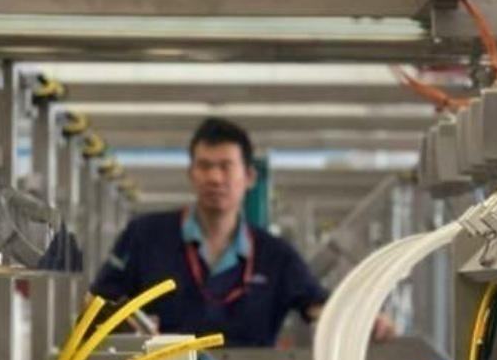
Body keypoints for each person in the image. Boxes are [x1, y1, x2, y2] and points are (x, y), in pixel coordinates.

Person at [92, 118, 393, 347]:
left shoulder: (274, 255)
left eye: (225, 166)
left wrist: (361, 319)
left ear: (249, 176)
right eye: (205, 166)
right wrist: (131, 328)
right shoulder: (145, 236)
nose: (214, 177)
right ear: (191, 174)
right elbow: (99, 305)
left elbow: (316, 305)